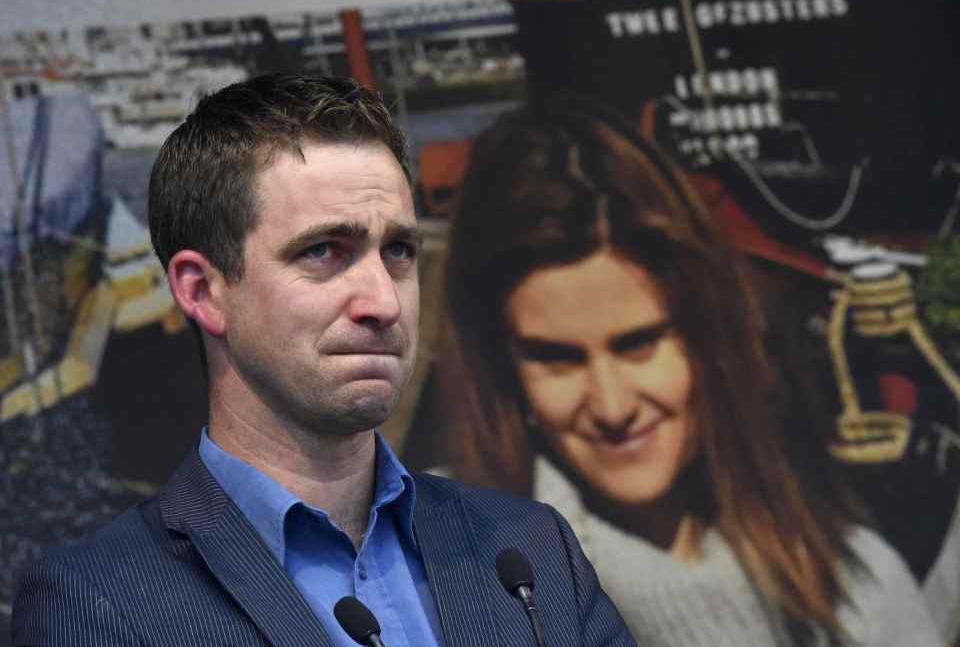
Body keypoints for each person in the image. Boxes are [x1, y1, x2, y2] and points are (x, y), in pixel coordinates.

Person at [11, 75, 635, 647]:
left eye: (398, 251)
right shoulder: (97, 604)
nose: (384, 302)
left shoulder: (531, 550)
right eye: (323, 252)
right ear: (202, 291)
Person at [439, 101, 943, 645]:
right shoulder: (428, 581)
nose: (612, 407)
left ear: (710, 338)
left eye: (641, 343)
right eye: (556, 357)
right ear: (501, 369)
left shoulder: (860, 594)